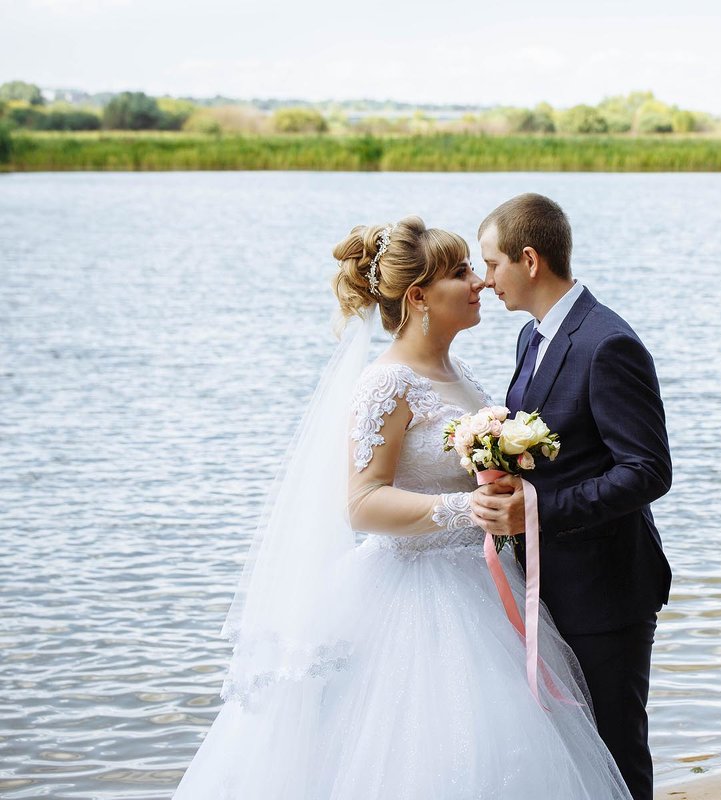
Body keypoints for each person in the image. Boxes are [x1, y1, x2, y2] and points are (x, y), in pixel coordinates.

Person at [173, 216, 632, 799]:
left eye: (476, 268)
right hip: (414, 596)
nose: (479, 284)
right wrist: (469, 510)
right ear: (418, 296)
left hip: (484, 584)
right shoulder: (385, 383)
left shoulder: (456, 371)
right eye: (462, 272)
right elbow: (362, 504)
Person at [471, 193, 672, 800]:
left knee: (615, 754)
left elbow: (647, 471)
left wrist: (537, 509)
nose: (485, 281)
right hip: (544, 583)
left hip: (606, 591)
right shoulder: (532, 338)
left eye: (492, 264)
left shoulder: (607, 343)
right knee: (568, 759)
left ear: (529, 260)